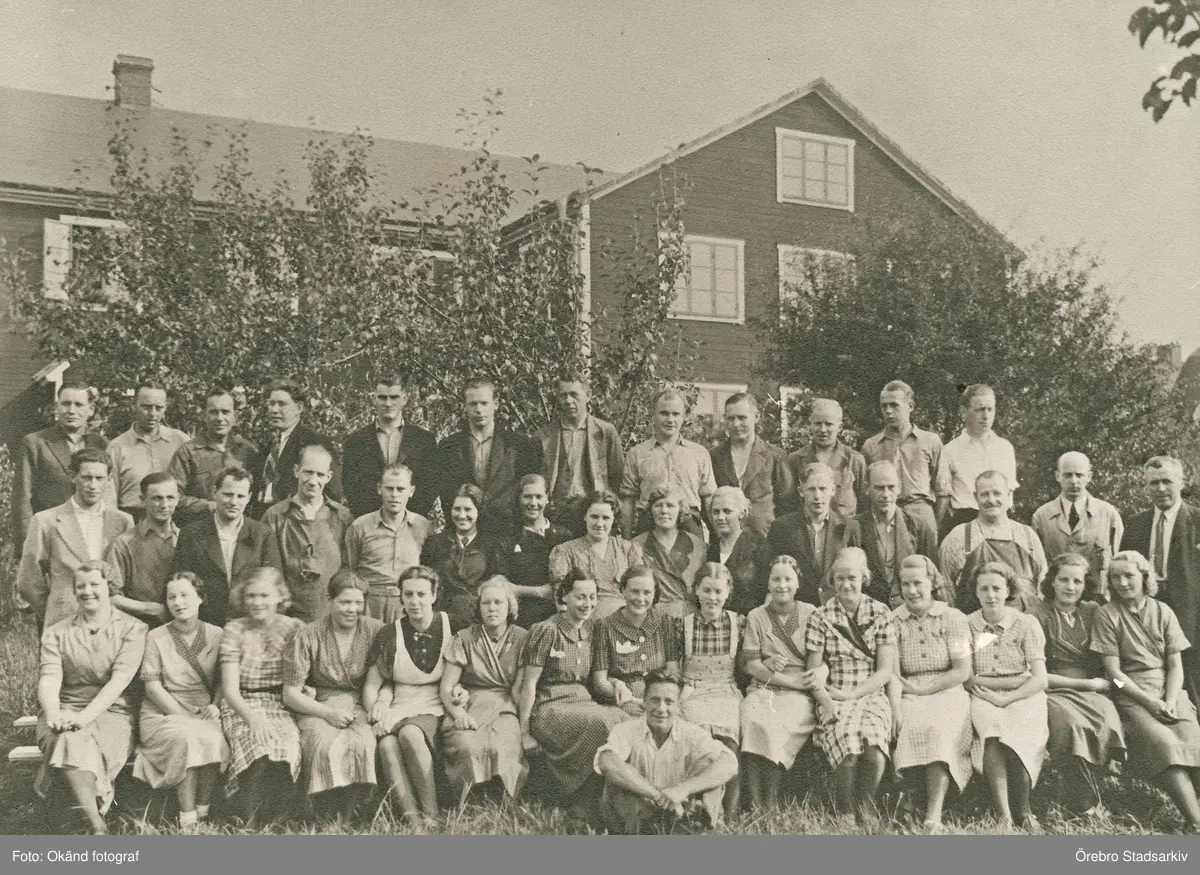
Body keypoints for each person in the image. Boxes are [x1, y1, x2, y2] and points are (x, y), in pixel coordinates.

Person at [35, 560, 147, 834]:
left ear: (109, 587)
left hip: (113, 712)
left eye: (94, 584)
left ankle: (89, 821)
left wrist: (83, 718)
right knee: (66, 737)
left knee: (72, 739)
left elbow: (120, 680)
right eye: (80, 586)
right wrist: (53, 712)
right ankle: (97, 825)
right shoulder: (56, 632)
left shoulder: (133, 629)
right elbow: (50, 677)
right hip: (64, 708)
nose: (87, 592)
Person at [1091, 550, 1200, 832]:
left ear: (1144, 576)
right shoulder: (1107, 615)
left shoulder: (1163, 611)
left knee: (1193, 741)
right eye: (1115, 577)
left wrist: (1171, 699)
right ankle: (1196, 822)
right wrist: (1149, 702)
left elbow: (1175, 666)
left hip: (1169, 690)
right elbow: (1113, 675)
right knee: (1165, 745)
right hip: (1130, 693)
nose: (1122, 582)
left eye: (1129, 575)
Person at [518, 574, 629, 832]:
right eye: (580, 597)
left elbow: (599, 677)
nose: (587, 604)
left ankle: (609, 801)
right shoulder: (546, 630)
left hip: (581, 701)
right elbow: (529, 684)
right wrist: (524, 731)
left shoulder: (592, 631)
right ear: (564, 597)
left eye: (592, 597)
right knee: (601, 723)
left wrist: (617, 683)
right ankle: (580, 803)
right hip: (548, 705)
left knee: (622, 719)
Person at [282, 570, 384, 824]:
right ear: (329, 600)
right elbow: (290, 693)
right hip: (318, 704)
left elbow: (386, 678)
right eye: (344, 602)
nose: (352, 609)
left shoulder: (375, 630)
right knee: (323, 744)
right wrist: (328, 713)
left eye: (358, 603)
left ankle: (352, 814)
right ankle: (324, 814)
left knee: (362, 742)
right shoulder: (308, 634)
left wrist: (379, 704)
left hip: (360, 701)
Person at [805, 547, 898, 823]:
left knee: (874, 749)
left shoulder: (881, 613)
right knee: (847, 749)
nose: (846, 585)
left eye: (852, 578)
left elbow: (885, 671)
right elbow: (813, 671)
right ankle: (845, 811)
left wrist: (854, 694)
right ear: (832, 581)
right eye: (840, 578)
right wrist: (826, 701)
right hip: (834, 693)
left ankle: (866, 808)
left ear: (864, 578)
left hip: (871, 693)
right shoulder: (821, 616)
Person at [1030, 553, 1126, 818]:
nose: (1070, 587)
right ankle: (1080, 804)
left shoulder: (1093, 611)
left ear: (1086, 585)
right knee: (1072, 725)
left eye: (1077, 581)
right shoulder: (1036, 615)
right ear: (1052, 581)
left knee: (1106, 719)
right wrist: (1087, 684)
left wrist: (1117, 684)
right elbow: (1036, 674)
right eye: (1063, 580)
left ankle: (1088, 797)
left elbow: (1111, 660)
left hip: (1095, 687)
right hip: (1053, 687)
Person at [132, 571, 229, 829]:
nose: (178, 602)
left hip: (202, 707)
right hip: (162, 710)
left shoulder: (217, 634)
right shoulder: (156, 637)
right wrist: (182, 716)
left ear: (200, 598)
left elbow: (224, 680)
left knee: (214, 739)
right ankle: (187, 819)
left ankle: (203, 811)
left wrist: (215, 705)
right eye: (171, 597)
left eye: (185, 595)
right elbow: (152, 687)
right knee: (186, 738)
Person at [594, 671, 739, 834]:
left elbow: (729, 763)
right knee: (617, 772)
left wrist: (682, 790)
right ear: (644, 702)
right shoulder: (625, 730)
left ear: (678, 706)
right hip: (639, 814)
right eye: (655, 700)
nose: (661, 709)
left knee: (711, 765)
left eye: (669, 702)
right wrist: (657, 796)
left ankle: (695, 830)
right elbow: (607, 761)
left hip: (680, 812)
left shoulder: (692, 732)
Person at [363, 566, 453, 829]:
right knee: (386, 746)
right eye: (409, 594)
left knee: (411, 734)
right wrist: (376, 712)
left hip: (436, 702)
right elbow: (371, 684)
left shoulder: (451, 626)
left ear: (434, 595)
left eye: (422, 594)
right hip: (398, 704)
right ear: (400, 597)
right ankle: (414, 821)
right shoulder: (390, 633)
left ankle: (432, 815)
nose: (415, 601)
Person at [965, 561, 1049, 833]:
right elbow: (967, 677)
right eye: (984, 589)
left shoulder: (1026, 623)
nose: (990, 595)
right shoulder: (965, 625)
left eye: (997, 588)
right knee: (991, 732)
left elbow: (1040, 679)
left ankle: (1024, 809)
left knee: (1021, 730)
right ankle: (1004, 815)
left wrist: (1008, 695)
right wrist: (1005, 686)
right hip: (983, 695)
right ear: (975, 592)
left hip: (1024, 695)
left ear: (1009, 590)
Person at [890, 555, 972, 833]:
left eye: (918, 583)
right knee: (908, 725)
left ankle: (933, 816)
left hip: (947, 688)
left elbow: (962, 670)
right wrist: (896, 707)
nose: (912, 591)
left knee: (939, 729)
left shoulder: (953, 618)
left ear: (933, 584)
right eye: (906, 584)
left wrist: (928, 688)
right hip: (908, 689)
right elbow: (892, 672)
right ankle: (910, 803)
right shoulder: (893, 621)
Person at [218, 567, 304, 826]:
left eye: (264, 596)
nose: (257, 602)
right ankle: (246, 818)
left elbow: (298, 677)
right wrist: (254, 720)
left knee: (285, 744)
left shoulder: (294, 628)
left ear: (280, 596)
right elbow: (230, 690)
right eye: (251, 596)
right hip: (241, 704)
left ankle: (278, 818)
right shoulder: (234, 630)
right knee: (256, 743)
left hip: (280, 702)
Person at [740, 555, 825, 810]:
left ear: (798, 583)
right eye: (776, 579)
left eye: (788, 579)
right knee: (752, 718)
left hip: (800, 692)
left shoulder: (811, 613)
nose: (782, 585)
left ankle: (770, 800)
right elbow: (753, 666)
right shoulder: (756, 616)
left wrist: (815, 676)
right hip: (765, 686)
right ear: (767, 583)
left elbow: (823, 660)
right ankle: (754, 803)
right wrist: (785, 678)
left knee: (777, 725)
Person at [18, 448, 134, 629]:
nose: (93, 485)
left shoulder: (123, 521)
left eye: (99, 478)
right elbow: (28, 580)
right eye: (87, 477)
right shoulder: (46, 521)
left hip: (111, 624)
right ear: (73, 476)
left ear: (109, 479)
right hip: (64, 623)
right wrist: (54, 611)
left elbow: (129, 577)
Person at [438, 577, 530, 803]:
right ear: (478, 607)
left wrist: (524, 724)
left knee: (502, 745)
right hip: (470, 704)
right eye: (486, 603)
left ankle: (503, 801)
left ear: (510, 607)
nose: (492, 608)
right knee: (466, 745)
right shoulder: (465, 638)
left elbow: (521, 689)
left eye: (498, 602)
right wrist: (458, 714)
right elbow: (447, 686)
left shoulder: (522, 638)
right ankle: (469, 801)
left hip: (505, 706)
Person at [1124, 456, 1200, 707]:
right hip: (1148, 608)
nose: (1160, 488)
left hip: (1191, 610)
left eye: (1167, 481)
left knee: (1192, 674)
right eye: (1153, 483)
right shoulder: (1135, 524)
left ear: (1182, 482)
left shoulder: (1197, 521)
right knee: (1155, 670)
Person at [173, 466, 282, 627]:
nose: (233, 502)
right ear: (214, 492)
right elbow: (181, 584)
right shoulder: (191, 534)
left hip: (249, 626)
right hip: (204, 624)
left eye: (240, 496)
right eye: (228, 494)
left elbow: (273, 583)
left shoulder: (262, 534)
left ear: (249, 498)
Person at [679, 562, 745, 820]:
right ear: (696, 590)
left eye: (718, 592)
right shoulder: (683, 625)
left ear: (728, 592)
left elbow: (747, 665)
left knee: (729, 742)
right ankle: (700, 807)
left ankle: (729, 811)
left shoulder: (738, 623)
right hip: (692, 691)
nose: (712, 598)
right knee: (700, 743)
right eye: (706, 590)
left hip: (725, 691)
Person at [436, 379, 543, 537]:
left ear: (496, 404)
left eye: (484, 403)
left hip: (507, 533)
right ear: (465, 406)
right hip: (465, 532)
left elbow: (527, 489)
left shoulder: (518, 445)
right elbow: (446, 492)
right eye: (473, 404)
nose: (479, 410)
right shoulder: (449, 446)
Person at [13, 380, 108, 554]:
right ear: (57, 407)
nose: (71, 410)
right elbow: (22, 499)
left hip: (92, 539)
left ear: (91, 410)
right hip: (50, 539)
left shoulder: (100, 444)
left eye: (78, 404)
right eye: (66, 404)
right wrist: (28, 549)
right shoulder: (36, 443)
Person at [261, 444, 354, 622]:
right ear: (296, 471)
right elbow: (269, 571)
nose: (313, 481)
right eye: (308, 472)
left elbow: (348, 569)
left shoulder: (343, 517)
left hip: (330, 614)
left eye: (320, 475)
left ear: (329, 477)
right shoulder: (275, 516)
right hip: (287, 616)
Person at [940, 470, 1047, 614]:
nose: (991, 500)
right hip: (974, 624)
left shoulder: (1027, 535)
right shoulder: (959, 536)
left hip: (1024, 622)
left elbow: (1043, 584)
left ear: (1009, 495)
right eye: (984, 494)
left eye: (997, 493)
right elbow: (946, 589)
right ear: (975, 497)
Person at [619, 388, 716, 540]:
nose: (670, 420)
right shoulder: (637, 453)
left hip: (689, 524)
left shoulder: (699, 453)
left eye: (676, 414)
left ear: (684, 416)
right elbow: (628, 501)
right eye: (664, 413)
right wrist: (626, 541)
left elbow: (709, 500)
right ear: (653, 414)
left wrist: (717, 539)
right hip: (650, 524)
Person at [535, 374, 625, 537]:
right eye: (563, 395)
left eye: (574, 394)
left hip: (594, 514)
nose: (569, 401)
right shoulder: (544, 436)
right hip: (556, 515)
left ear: (588, 395)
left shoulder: (606, 432)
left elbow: (617, 478)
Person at [343, 463, 432, 623]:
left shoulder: (423, 526)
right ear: (379, 489)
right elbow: (349, 570)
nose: (394, 495)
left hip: (407, 606)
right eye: (389, 488)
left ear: (411, 491)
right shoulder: (360, 527)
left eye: (400, 489)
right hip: (369, 605)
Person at [341, 375, 439, 519]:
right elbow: (350, 487)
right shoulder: (356, 441)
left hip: (411, 523)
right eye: (382, 397)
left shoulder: (424, 440)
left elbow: (430, 485)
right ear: (374, 399)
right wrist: (371, 520)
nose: (388, 403)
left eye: (394, 397)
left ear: (404, 399)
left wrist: (408, 519)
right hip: (370, 523)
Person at [1031, 452, 1123, 603]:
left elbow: (1120, 562)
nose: (1074, 481)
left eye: (1079, 475)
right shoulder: (1042, 516)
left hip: (1098, 600)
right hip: (1056, 600)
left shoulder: (1108, 514)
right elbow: (1037, 566)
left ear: (1089, 476)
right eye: (1067, 475)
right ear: (1057, 476)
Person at [766, 463, 862, 606]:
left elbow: (857, 573)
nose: (817, 496)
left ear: (833, 490)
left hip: (837, 608)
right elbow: (771, 573)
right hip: (797, 608)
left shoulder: (849, 527)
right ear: (801, 491)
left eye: (823, 489)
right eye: (811, 489)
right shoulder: (782, 527)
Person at [593, 565, 680, 716]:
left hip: (660, 698)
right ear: (623, 590)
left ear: (654, 593)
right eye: (634, 591)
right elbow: (600, 682)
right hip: (624, 700)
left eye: (647, 592)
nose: (640, 599)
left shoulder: (664, 621)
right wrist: (619, 689)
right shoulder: (605, 626)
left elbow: (673, 671)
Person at [860, 381, 945, 536]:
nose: (888, 411)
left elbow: (943, 490)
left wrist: (933, 525)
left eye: (894, 405)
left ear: (910, 406)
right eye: (884, 406)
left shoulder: (930, 442)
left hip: (920, 512)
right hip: (884, 514)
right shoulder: (871, 446)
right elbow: (864, 491)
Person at [250, 378, 342, 518]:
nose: (274, 410)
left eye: (282, 404)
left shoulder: (314, 442)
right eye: (271, 404)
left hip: (294, 521)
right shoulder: (269, 445)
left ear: (299, 408)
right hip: (262, 520)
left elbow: (332, 492)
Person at [935, 385, 1018, 538]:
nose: (986, 416)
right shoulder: (950, 450)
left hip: (1001, 523)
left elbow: (1009, 494)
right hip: (965, 523)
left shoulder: (1005, 448)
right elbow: (944, 496)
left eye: (990, 409)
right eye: (980, 410)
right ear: (963, 412)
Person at [167, 387, 259, 526]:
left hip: (239, 530)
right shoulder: (188, 452)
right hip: (199, 529)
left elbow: (257, 496)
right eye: (213, 412)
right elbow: (172, 495)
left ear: (235, 417)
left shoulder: (248, 451)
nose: (220, 418)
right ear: (204, 416)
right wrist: (210, 506)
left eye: (225, 412)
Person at [420, 483, 505, 632]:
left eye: (468, 509)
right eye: (457, 509)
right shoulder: (435, 543)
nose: (462, 515)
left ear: (478, 511)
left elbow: (496, 583)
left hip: (477, 620)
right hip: (441, 619)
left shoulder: (491, 546)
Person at [548, 490, 644, 620]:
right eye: (594, 517)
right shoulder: (566, 551)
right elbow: (561, 599)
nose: (599, 524)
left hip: (625, 622)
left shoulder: (628, 550)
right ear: (585, 516)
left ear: (614, 519)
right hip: (583, 623)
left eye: (606, 518)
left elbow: (640, 593)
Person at [710, 392, 792, 539]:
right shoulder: (714, 457)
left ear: (756, 417)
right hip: (725, 539)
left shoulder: (775, 456)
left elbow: (787, 503)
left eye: (742, 418)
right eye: (731, 418)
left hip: (764, 538)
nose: (736, 424)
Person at [858, 461, 938, 607]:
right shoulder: (855, 527)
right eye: (879, 488)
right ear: (866, 488)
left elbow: (932, 577)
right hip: (869, 609)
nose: (886, 495)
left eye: (891, 487)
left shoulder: (919, 525)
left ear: (899, 487)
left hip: (910, 607)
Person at [105, 381, 189, 521]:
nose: (153, 414)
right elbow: (109, 499)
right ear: (134, 405)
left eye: (159, 408)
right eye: (146, 407)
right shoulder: (116, 447)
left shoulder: (180, 441)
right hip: (132, 520)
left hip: (173, 520)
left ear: (165, 408)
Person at [106, 472, 180, 627]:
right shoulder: (124, 543)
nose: (164, 505)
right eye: (157, 498)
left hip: (181, 626)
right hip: (138, 627)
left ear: (178, 499)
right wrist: (150, 608)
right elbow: (112, 597)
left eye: (170, 498)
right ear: (142, 499)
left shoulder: (186, 539)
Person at [499, 474, 573, 627]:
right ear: (519, 499)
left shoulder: (564, 536)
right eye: (527, 497)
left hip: (559, 613)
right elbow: (501, 582)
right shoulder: (508, 539)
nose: (533, 503)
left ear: (547, 499)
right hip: (522, 614)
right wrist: (539, 592)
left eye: (539, 497)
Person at [632, 484, 706, 617]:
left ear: (680, 510)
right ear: (650, 510)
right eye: (658, 505)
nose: (664, 511)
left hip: (690, 617)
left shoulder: (699, 546)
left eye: (670, 506)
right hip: (653, 617)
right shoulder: (636, 545)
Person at [786, 398, 867, 519]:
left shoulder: (854, 460)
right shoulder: (795, 460)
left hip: (844, 528)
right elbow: (788, 504)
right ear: (810, 425)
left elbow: (865, 504)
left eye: (828, 424)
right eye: (818, 424)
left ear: (840, 427)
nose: (823, 430)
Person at [706, 486, 767, 616]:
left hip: (749, 620)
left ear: (742, 513)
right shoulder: (710, 551)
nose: (720, 517)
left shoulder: (758, 547)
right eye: (716, 512)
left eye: (727, 511)